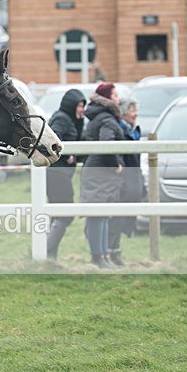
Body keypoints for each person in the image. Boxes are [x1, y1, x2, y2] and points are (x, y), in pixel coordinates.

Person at [79, 82, 124, 269]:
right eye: (115, 95)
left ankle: (103, 255)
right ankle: (99, 257)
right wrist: (116, 164)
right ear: (107, 99)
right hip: (101, 172)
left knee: (103, 215)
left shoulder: (101, 116)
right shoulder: (106, 119)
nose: (118, 99)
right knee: (98, 216)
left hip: (98, 170)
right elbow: (107, 144)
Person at [45, 88, 86, 260]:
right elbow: (53, 141)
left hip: (59, 174)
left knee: (58, 215)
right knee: (65, 215)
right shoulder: (62, 119)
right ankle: (45, 251)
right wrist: (68, 154)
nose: (83, 109)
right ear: (71, 106)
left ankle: (50, 255)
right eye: (79, 105)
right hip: (57, 174)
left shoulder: (70, 119)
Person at [107, 98, 144, 266]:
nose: (136, 114)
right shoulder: (121, 131)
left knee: (122, 219)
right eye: (132, 110)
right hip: (123, 183)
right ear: (123, 112)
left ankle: (115, 252)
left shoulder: (132, 130)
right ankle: (110, 252)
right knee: (117, 219)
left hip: (132, 181)